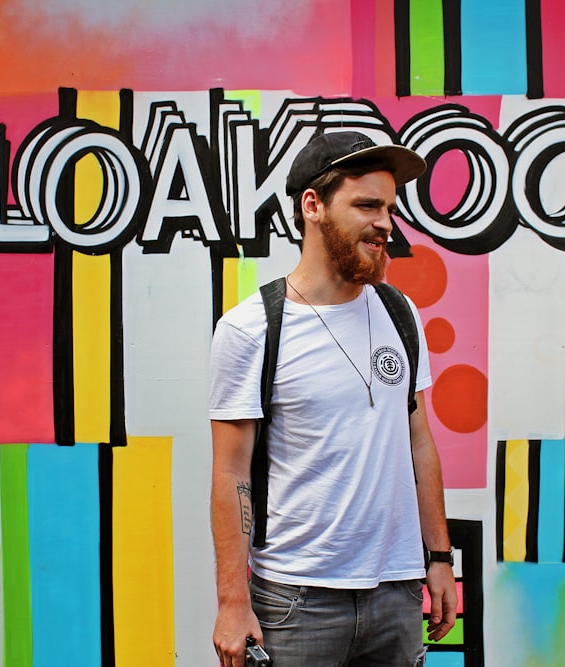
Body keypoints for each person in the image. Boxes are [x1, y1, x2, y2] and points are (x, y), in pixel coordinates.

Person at [209, 131, 457, 666]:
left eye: (389, 208)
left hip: (397, 591)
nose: (385, 223)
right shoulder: (252, 329)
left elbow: (418, 443)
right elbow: (231, 472)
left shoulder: (400, 314)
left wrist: (439, 558)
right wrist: (232, 601)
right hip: (296, 600)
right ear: (313, 206)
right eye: (367, 205)